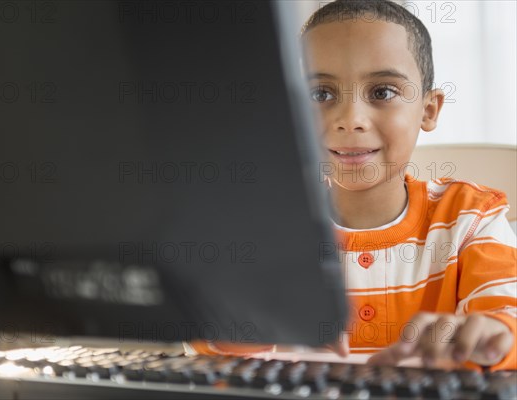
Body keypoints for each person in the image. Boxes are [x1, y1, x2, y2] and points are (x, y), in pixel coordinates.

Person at [191, 0, 517, 371]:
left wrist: (487, 335)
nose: (351, 120)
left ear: (429, 110)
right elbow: (213, 357)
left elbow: (508, 322)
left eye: (382, 92)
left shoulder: (471, 218)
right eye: (320, 95)